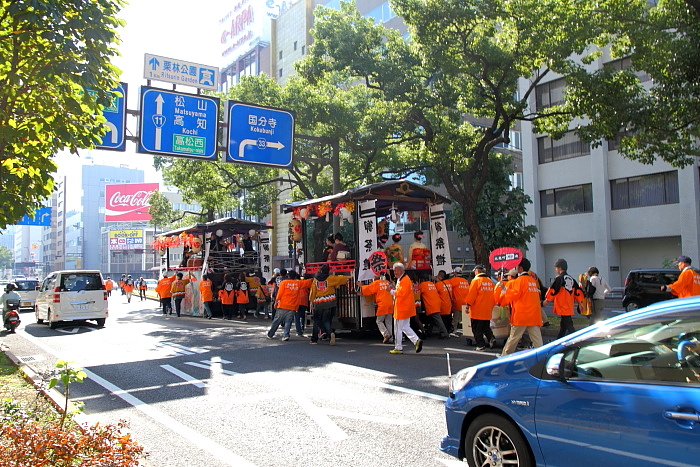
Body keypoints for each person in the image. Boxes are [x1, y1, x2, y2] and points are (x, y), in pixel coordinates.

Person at [495, 258, 544, 356]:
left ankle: (504, 357)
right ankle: (543, 356)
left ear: (520, 268)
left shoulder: (519, 281)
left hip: (521, 315)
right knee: (537, 340)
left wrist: (504, 288)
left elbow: (513, 295)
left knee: (513, 338)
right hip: (533, 315)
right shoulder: (532, 281)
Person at [308, 264, 349, 345]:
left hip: (318, 302)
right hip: (329, 302)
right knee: (326, 320)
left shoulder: (315, 280)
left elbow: (313, 292)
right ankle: (330, 333)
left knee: (316, 321)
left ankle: (314, 340)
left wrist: (311, 301)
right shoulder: (331, 278)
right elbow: (342, 278)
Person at [543, 258, 583, 339]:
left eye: (556, 268)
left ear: (559, 268)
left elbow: (553, 290)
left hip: (562, 304)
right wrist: (580, 303)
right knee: (564, 324)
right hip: (569, 304)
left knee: (569, 325)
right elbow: (578, 292)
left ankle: (576, 340)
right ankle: (559, 340)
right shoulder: (571, 279)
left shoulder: (559, 279)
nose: (556, 269)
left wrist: (546, 300)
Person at [389, 263, 423, 354]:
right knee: (405, 327)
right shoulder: (403, 279)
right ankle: (416, 340)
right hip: (405, 307)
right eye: (394, 271)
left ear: (402, 270)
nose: (395, 272)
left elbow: (401, 293)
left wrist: (391, 291)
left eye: (397, 270)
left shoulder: (404, 280)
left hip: (401, 308)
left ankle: (398, 347)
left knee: (398, 329)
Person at [465, 265, 496, 350]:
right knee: (486, 327)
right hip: (487, 309)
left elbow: (471, 295)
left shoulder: (476, 281)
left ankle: (480, 345)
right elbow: (494, 295)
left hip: (477, 310)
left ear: (477, 271)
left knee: (476, 329)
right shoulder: (490, 281)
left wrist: (468, 305)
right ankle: (491, 338)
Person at [357, 273, 394, 344]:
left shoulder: (376, 283)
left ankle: (386, 334)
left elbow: (368, 289)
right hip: (390, 304)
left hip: (382, 305)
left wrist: (361, 285)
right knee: (389, 322)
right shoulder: (387, 282)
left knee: (379, 321)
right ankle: (391, 338)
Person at [267, 271, 301, 341]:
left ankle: (271, 334)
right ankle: (286, 335)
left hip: (282, 304)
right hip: (292, 305)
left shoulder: (284, 282)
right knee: (288, 321)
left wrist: (276, 302)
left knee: (277, 320)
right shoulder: (298, 284)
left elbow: (279, 293)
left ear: (288, 276)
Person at [446, 267, 469, 336]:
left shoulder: (453, 280)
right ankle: (466, 330)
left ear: (455, 273)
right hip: (465, 302)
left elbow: (447, 287)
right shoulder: (465, 281)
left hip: (457, 301)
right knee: (464, 318)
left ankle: (454, 330)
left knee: (455, 318)